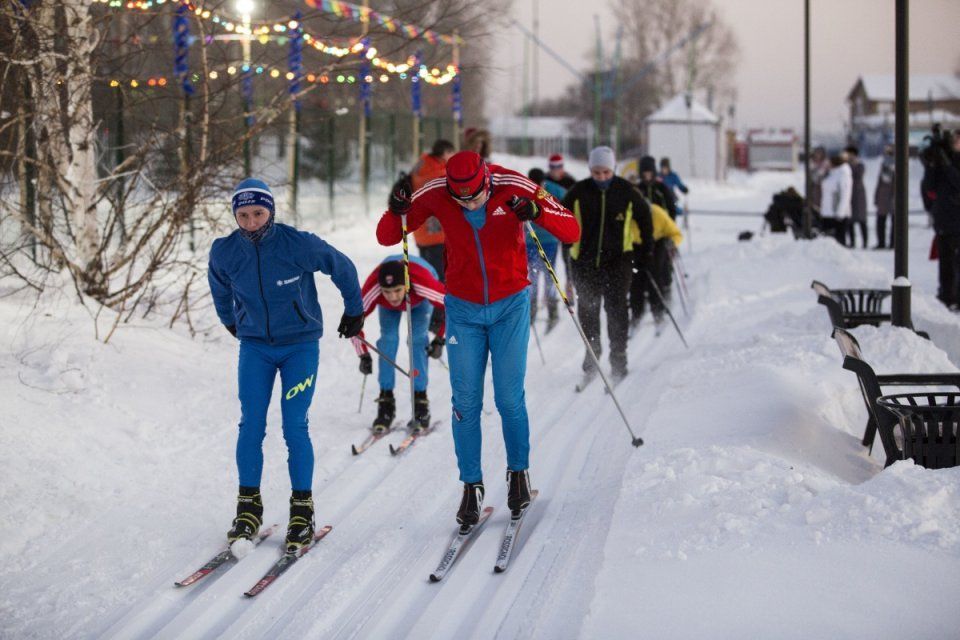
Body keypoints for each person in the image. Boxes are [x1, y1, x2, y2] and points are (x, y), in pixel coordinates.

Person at [377, 150, 580, 526]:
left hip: (510, 307)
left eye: (475, 196)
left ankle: (518, 473)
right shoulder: (437, 191)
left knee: (508, 397)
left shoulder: (513, 184)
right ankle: (471, 485)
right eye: (462, 199)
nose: (469, 203)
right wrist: (396, 207)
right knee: (465, 402)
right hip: (463, 311)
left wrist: (537, 213)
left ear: (486, 180)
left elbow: (571, 229)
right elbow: (388, 235)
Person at [208, 178, 364, 553]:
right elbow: (219, 288)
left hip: (300, 347)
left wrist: (354, 309)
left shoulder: (297, 244)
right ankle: (248, 508)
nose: (250, 221)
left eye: (258, 213)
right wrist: (231, 321)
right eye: (242, 215)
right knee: (251, 424)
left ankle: (302, 510)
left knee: (294, 424)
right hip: (256, 348)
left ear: (271, 211)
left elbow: (341, 266)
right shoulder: (225, 251)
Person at [561, 146, 653, 387]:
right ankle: (592, 355)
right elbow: (560, 216)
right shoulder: (579, 192)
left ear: (612, 169)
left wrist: (646, 249)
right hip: (584, 261)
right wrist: (565, 240)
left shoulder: (626, 191)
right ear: (590, 170)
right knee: (588, 309)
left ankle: (618, 358)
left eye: (606, 172)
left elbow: (645, 217)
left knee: (617, 310)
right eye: (596, 172)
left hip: (618, 261)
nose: (601, 177)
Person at [352, 255, 446, 432]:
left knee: (417, 339)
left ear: (405, 285)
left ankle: (421, 401)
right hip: (389, 298)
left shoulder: (422, 283)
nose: (392, 296)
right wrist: (363, 354)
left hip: (419, 297)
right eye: (387, 291)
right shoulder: (374, 288)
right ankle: (386, 401)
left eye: (397, 290)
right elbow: (352, 322)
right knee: (388, 340)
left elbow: (452, 306)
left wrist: (440, 339)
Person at [921, 129, 960, 309]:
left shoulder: (951, 163)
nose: (955, 141)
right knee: (945, 262)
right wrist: (931, 165)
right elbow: (929, 186)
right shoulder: (945, 158)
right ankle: (947, 295)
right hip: (944, 220)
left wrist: (946, 165)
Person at [631, 202, 684, 331]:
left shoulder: (657, 213)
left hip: (657, 243)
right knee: (635, 278)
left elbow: (676, 233)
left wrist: (671, 242)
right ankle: (636, 311)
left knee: (655, 274)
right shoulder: (629, 215)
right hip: (636, 245)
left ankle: (658, 311)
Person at [526, 167, 567, 331]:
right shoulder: (526, 188)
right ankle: (532, 310)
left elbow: (566, 199)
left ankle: (552, 310)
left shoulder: (551, 189)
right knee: (533, 276)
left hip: (549, 239)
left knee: (549, 273)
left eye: (540, 183)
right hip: (531, 239)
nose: (537, 186)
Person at [409, 139, 456, 281]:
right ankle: (438, 302)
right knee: (441, 276)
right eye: (451, 153)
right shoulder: (441, 174)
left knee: (427, 271)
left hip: (420, 229)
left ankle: (430, 298)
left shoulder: (420, 166)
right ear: (444, 153)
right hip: (437, 232)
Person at [819, 152, 853, 245]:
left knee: (838, 242)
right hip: (827, 213)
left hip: (837, 215)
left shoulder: (843, 174)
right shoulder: (831, 174)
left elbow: (845, 194)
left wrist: (840, 212)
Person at [846, 145, 869, 248]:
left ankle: (865, 242)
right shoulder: (845, 166)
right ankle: (852, 242)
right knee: (850, 221)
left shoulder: (860, 166)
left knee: (862, 221)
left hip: (858, 195)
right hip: (849, 195)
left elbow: (858, 175)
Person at [873, 144, 895, 249]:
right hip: (882, 197)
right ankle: (881, 242)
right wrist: (876, 197)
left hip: (893, 198)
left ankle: (893, 243)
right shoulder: (883, 165)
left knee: (894, 222)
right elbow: (879, 182)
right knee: (880, 221)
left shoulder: (897, 165)